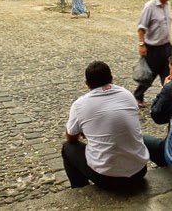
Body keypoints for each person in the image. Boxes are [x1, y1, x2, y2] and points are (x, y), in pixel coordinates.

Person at [62, 61, 149, 190]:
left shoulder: (80, 105)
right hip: (139, 171)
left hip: (107, 178)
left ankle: (80, 189)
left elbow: (71, 137)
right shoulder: (127, 95)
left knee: (67, 147)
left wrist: (89, 132)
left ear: (87, 84)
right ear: (112, 79)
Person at [134, 0, 172, 108]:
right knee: (148, 75)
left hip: (166, 46)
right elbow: (141, 27)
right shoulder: (149, 7)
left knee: (168, 73)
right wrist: (142, 44)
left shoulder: (167, 5)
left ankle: (168, 98)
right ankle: (138, 96)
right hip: (152, 48)